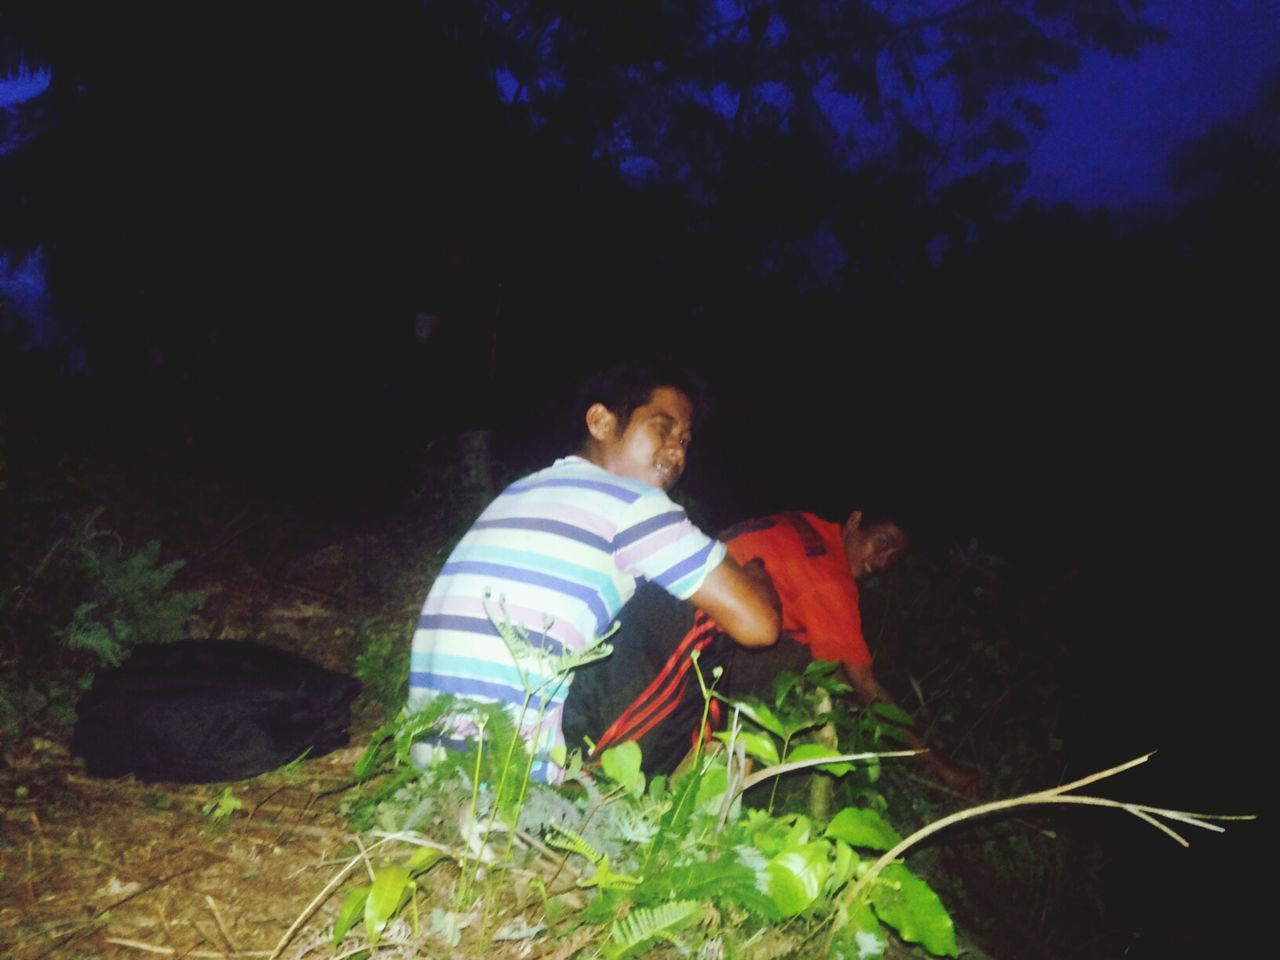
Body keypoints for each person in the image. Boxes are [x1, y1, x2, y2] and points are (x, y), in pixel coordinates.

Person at [406, 361, 780, 783]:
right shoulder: (637, 505)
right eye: (662, 428)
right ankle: (659, 791)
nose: (677, 452)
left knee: (666, 584)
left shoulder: (521, 490)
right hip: (516, 783)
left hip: (430, 764)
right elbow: (759, 626)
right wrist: (757, 574)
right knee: (704, 612)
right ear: (600, 421)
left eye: (685, 440)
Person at [563, 509, 978, 793]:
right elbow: (863, 682)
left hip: (672, 594)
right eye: (881, 542)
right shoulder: (830, 578)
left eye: (893, 555)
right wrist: (940, 767)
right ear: (855, 522)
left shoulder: (808, 524)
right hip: (693, 630)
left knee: (813, 652)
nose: (883, 559)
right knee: (808, 659)